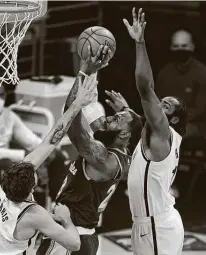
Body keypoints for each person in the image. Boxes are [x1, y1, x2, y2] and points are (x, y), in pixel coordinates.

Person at [37, 46, 142, 255]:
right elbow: (131, 128)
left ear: (124, 135)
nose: (109, 119)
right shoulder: (122, 156)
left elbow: (70, 115)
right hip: (82, 235)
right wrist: (125, 111)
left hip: (71, 234)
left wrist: (84, 72)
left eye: (116, 120)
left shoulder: (103, 159)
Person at [0, 74, 98, 255]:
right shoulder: (34, 215)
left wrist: (76, 104)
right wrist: (66, 220)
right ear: (32, 188)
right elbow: (74, 244)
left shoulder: (0, 190)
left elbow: (50, 142)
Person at [123, 7, 188, 255]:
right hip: (150, 223)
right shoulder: (158, 136)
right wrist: (127, 110)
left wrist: (140, 43)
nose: (159, 105)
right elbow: (143, 124)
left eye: (166, 106)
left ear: (171, 120)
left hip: (156, 226)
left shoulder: (163, 134)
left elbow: (144, 86)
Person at [156, 29, 206, 138]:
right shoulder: (165, 72)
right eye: (176, 46)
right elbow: (158, 100)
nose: (180, 50)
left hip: (193, 124)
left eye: (184, 46)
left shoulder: (202, 73)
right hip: (165, 120)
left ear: (192, 47)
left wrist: (177, 118)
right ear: (171, 48)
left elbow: (200, 109)